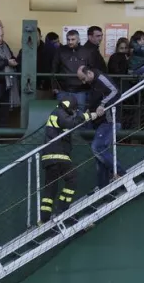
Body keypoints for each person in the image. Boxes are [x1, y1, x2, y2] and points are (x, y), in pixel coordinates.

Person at [38, 95, 100, 225]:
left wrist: (83, 116)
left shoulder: (58, 113)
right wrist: (90, 116)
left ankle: (44, 219)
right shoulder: (59, 112)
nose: (75, 111)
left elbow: (72, 122)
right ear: (68, 106)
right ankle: (62, 209)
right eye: (74, 109)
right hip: (58, 155)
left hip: (49, 157)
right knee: (72, 179)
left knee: (50, 188)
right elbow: (70, 123)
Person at [78, 66, 127, 190]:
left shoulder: (101, 78)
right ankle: (102, 185)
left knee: (97, 147)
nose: (84, 82)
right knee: (100, 153)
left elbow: (115, 90)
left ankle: (120, 172)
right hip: (102, 122)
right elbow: (98, 97)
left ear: (89, 73)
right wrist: (90, 109)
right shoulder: (94, 82)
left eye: (84, 79)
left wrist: (102, 104)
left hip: (110, 121)